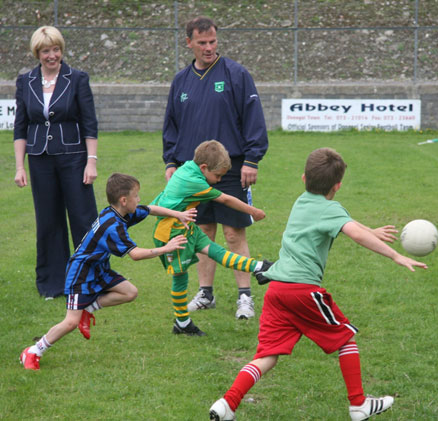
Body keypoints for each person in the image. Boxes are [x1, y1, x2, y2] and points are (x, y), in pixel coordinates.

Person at [209, 148, 428, 421]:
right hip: (302, 290)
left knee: (267, 355)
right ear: (338, 186)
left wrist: (371, 230)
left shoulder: (301, 201)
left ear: (304, 178)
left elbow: (346, 224)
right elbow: (353, 232)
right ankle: (359, 404)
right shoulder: (331, 209)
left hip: (277, 290)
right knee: (346, 339)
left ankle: (227, 404)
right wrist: (396, 255)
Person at [20, 173, 196, 370]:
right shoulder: (112, 226)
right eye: (136, 196)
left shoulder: (120, 212)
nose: (139, 200)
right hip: (81, 274)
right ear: (124, 200)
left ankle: (88, 309)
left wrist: (178, 214)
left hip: (98, 268)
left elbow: (150, 209)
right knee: (70, 322)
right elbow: (136, 254)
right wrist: (166, 248)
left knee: (130, 292)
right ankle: (34, 350)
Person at [162, 16, 268, 319]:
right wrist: (171, 161)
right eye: (202, 43)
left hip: (231, 168)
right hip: (193, 172)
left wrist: (251, 159)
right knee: (201, 231)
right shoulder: (181, 81)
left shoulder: (236, 74)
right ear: (189, 43)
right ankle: (206, 293)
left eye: (213, 42)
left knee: (234, 233)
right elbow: (171, 125)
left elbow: (253, 118)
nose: (208, 48)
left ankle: (245, 297)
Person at [151, 140, 271, 336]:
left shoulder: (189, 167)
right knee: (180, 276)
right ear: (204, 167)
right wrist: (253, 211)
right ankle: (181, 322)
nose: (218, 180)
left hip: (186, 227)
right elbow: (224, 199)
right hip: (172, 233)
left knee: (217, 252)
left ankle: (260, 268)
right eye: (217, 176)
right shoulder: (195, 181)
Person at [13, 26, 99, 298]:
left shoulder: (78, 79)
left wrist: (91, 162)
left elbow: (89, 123)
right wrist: (19, 166)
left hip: (74, 159)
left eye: (56, 49)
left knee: (83, 218)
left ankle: (91, 280)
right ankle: (53, 284)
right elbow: (20, 127)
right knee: (48, 221)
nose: (52, 55)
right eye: (46, 50)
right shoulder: (25, 82)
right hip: (40, 160)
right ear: (37, 53)